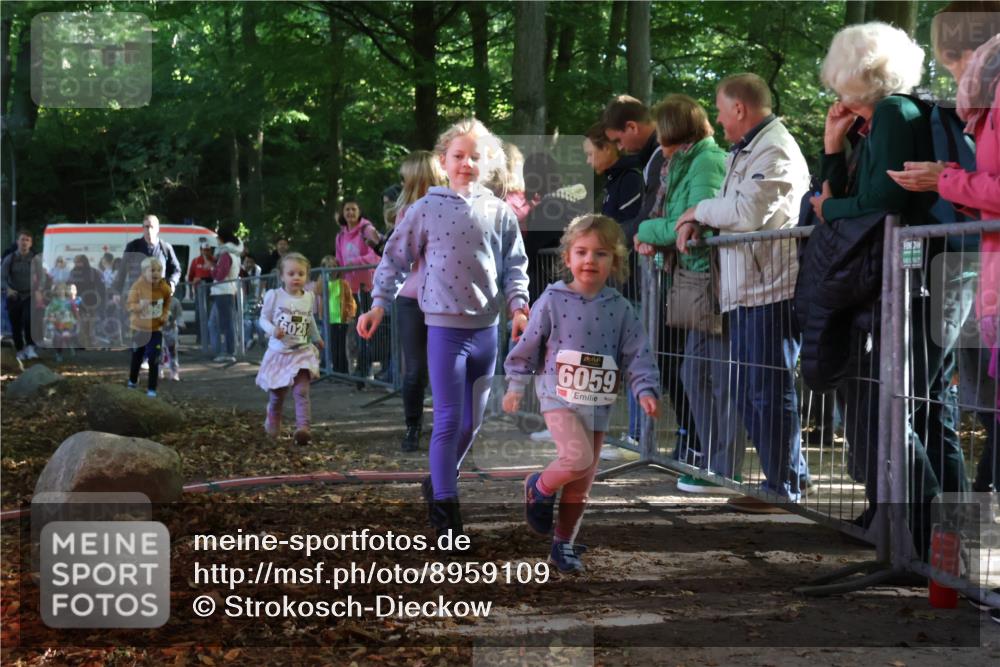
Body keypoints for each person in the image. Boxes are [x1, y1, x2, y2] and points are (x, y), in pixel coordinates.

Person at [804, 23, 948, 542]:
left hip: (916, 274)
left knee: (902, 405)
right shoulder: (875, 122)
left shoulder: (892, 113)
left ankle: (923, 534)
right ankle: (901, 524)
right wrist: (832, 145)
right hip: (898, 273)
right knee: (904, 406)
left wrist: (829, 210)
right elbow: (843, 195)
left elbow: (879, 202)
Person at [357, 118, 530, 538]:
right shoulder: (425, 209)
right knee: (449, 420)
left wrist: (519, 307)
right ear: (443, 161)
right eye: (459, 156)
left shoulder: (500, 212)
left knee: (472, 424)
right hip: (443, 330)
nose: (467, 163)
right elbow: (395, 258)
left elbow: (514, 264)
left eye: (475, 156)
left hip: (486, 330)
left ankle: (437, 482)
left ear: (489, 162)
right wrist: (378, 304)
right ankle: (446, 516)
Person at [675, 73, 811, 510]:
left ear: (739, 108)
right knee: (755, 389)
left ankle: (784, 485)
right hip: (748, 287)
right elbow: (733, 210)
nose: (717, 119)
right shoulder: (748, 150)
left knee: (767, 389)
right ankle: (786, 478)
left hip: (770, 289)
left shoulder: (775, 148)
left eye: (720, 110)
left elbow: (748, 211)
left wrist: (697, 210)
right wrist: (701, 219)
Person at [503, 214, 660, 573]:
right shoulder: (552, 299)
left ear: (614, 262)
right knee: (575, 459)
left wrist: (645, 389)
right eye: (582, 252)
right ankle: (538, 488)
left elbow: (638, 354)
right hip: (557, 395)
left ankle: (563, 545)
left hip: (598, 402)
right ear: (568, 258)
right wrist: (516, 386)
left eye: (601, 253)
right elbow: (528, 346)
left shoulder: (620, 308)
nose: (590, 260)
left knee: (582, 482)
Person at [888, 5, 1000, 492]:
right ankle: (963, 520)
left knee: (941, 397)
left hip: (968, 269)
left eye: (947, 60)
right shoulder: (981, 102)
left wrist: (945, 181)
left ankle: (957, 518)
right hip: (984, 273)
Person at [635, 94, 744, 491]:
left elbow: (694, 222)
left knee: (721, 377)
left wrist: (645, 231)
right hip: (693, 280)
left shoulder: (706, 161)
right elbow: (674, 222)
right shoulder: (680, 164)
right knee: (693, 372)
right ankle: (710, 459)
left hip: (713, 282)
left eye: (662, 135)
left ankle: (725, 467)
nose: (658, 144)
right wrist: (659, 232)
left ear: (676, 132)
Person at [604, 94, 702, 462]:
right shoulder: (652, 161)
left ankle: (694, 440)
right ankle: (685, 437)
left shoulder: (668, 158)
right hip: (667, 273)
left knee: (680, 363)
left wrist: (635, 234)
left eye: (618, 139)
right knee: (666, 359)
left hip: (684, 276)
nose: (619, 148)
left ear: (633, 127)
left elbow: (664, 216)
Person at [391, 150, 447, 452]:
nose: (402, 183)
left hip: (445, 300)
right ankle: (412, 426)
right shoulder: (406, 213)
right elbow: (401, 256)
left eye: (405, 177)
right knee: (415, 369)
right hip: (411, 298)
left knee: (444, 368)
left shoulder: (452, 207)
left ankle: (446, 428)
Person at [256, 252, 324, 445]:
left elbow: (309, 319)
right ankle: (273, 419)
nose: (296, 277)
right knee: (278, 395)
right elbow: (263, 319)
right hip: (280, 353)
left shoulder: (308, 297)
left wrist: (317, 338)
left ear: (307, 276)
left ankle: (303, 429)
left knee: (301, 391)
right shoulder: (275, 296)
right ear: (282, 276)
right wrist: (272, 330)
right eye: (291, 273)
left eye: (301, 274)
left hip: (302, 352)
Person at [336, 200, 382, 385]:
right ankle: (358, 370)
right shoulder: (340, 236)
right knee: (354, 331)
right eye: (347, 209)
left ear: (360, 211)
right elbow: (340, 261)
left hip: (368, 287)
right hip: (350, 288)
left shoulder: (367, 230)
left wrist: (355, 262)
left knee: (367, 330)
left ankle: (365, 370)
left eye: (353, 209)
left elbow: (377, 254)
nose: (350, 212)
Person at [126, 257, 171, 397]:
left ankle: (152, 389)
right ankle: (132, 381)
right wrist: (139, 306)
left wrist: (165, 314)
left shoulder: (164, 287)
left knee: (154, 358)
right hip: (139, 328)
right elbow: (129, 305)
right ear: (144, 272)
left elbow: (167, 302)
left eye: (159, 270)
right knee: (137, 357)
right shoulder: (137, 286)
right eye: (152, 270)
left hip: (155, 329)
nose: (156, 273)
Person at [584, 122, 644, 226]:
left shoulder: (629, 179)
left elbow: (629, 227)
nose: (587, 161)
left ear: (606, 148)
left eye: (590, 154)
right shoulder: (612, 179)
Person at [112, 214, 181, 302]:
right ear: (143, 228)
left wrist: (172, 282)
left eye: (152, 227)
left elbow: (176, 270)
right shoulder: (133, 247)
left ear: (158, 229)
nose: (149, 230)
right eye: (146, 227)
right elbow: (122, 270)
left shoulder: (165, 248)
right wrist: (117, 292)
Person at [2, 230, 44, 360]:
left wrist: (39, 290)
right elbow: (2, 277)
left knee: (29, 320)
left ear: (30, 243)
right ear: (17, 242)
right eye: (22, 239)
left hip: (30, 294)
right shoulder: (10, 258)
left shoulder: (35, 259)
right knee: (15, 323)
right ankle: (20, 349)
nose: (24, 242)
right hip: (14, 295)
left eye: (27, 240)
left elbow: (42, 277)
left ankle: (30, 347)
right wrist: (8, 289)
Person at [314, 255, 355, 375]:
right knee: (332, 345)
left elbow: (350, 301)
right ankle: (333, 370)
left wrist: (350, 315)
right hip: (328, 319)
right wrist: (323, 276)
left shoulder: (343, 283)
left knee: (341, 345)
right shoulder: (323, 283)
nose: (332, 269)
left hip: (341, 319)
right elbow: (317, 291)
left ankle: (343, 371)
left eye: (334, 266)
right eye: (328, 267)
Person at [209, 227, 244, 363]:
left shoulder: (226, 255)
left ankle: (228, 352)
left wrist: (212, 268)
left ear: (222, 239)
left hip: (223, 291)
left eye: (218, 238)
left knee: (224, 323)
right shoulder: (235, 254)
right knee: (217, 322)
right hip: (227, 290)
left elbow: (219, 275)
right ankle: (223, 350)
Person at [68, 254, 105, 349]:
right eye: (76, 262)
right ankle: (82, 343)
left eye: (79, 262)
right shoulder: (73, 272)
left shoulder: (93, 272)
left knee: (90, 323)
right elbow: (69, 284)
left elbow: (100, 286)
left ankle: (90, 342)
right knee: (81, 323)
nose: (77, 264)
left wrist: (101, 299)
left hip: (91, 300)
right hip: (78, 301)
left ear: (84, 262)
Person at [44, 282, 78, 362]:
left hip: (67, 322)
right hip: (57, 322)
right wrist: (49, 318)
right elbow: (48, 311)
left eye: (62, 289)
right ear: (55, 291)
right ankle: (59, 353)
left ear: (65, 290)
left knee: (65, 336)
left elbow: (74, 311)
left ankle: (69, 346)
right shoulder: (54, 302)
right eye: (58, 289)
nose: (60, 291)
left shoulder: (69, 301)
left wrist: (75, 319)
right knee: (58, 338)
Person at [161, 295, 184, 381]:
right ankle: (158, 371)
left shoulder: (175, 301)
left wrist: (180, 323)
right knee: (158, 350)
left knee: (172, 351)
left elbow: (179, 315)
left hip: (171, 329)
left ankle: (174, 372)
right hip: (158, 329)